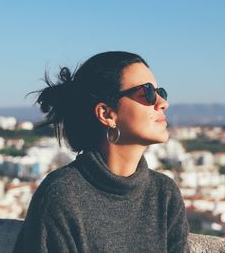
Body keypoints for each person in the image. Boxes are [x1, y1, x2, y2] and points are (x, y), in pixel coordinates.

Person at [13, 51, 190, 252]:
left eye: (161, 93)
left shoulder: (164, 194)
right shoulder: (62, 195)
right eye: (148, 93)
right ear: (106, 114)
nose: (163, 103)